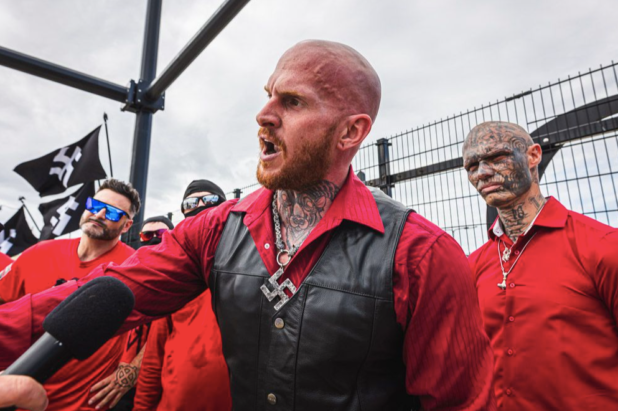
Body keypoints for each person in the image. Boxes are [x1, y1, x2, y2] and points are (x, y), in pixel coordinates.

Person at [0, 40, 495, 410]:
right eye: (268, 96)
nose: (264, 115)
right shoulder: (216, 229)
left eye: (293, 102)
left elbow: (460, 403)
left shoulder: (421, 253)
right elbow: (109, 292)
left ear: (351, 131)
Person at [463, 121, 618, 410]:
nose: (482, 172)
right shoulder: (472, 266)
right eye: (472, 166)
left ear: (534, 155)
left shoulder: (604, 246)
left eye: (497, 157)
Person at [0, 179, 139, 411]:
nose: (99, 214)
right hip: (20, 396)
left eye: (113, 212)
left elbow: (163, 324)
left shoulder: (133, 265)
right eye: (95, 205)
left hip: (86, 401)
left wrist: (131, 369)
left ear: (126, 226)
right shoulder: (39, 253)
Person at [134, 180, 231, 411]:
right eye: (191, 203)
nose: (200, 206)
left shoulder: (254, 263)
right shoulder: (172, 275)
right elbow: (154, 357)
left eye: (210, 200)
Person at [89, 215, 174, 411]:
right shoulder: (128, 271)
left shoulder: (180, 279)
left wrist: (133, 369)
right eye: (147, 235)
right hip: (108, 380)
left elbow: (165, 334)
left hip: (150, 383)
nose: (154, 239)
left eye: (161, 234)